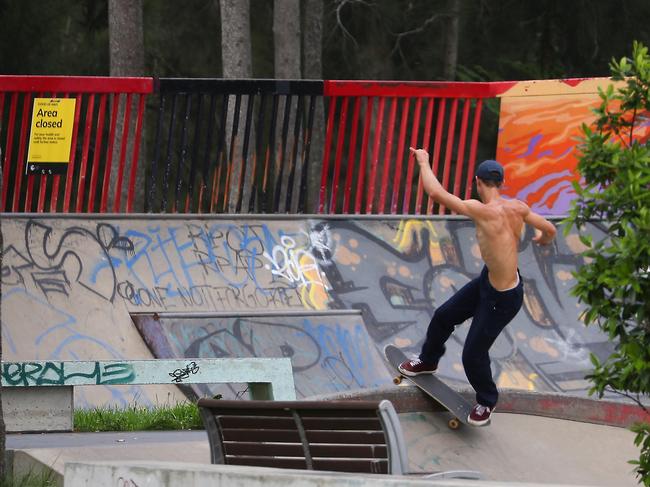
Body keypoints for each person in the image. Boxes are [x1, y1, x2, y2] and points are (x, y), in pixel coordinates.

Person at [398, 147, 557, 426]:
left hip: (504, 299)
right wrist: (543, 240)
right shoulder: (518, 207)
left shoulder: (481, 210)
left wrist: (423, 161)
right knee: (444, 316)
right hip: (489, 282)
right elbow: (550, 229)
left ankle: (486, 401)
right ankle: (428, 360)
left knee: (473, 354)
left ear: (477, 181)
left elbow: (435, 193)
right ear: (501, 183)